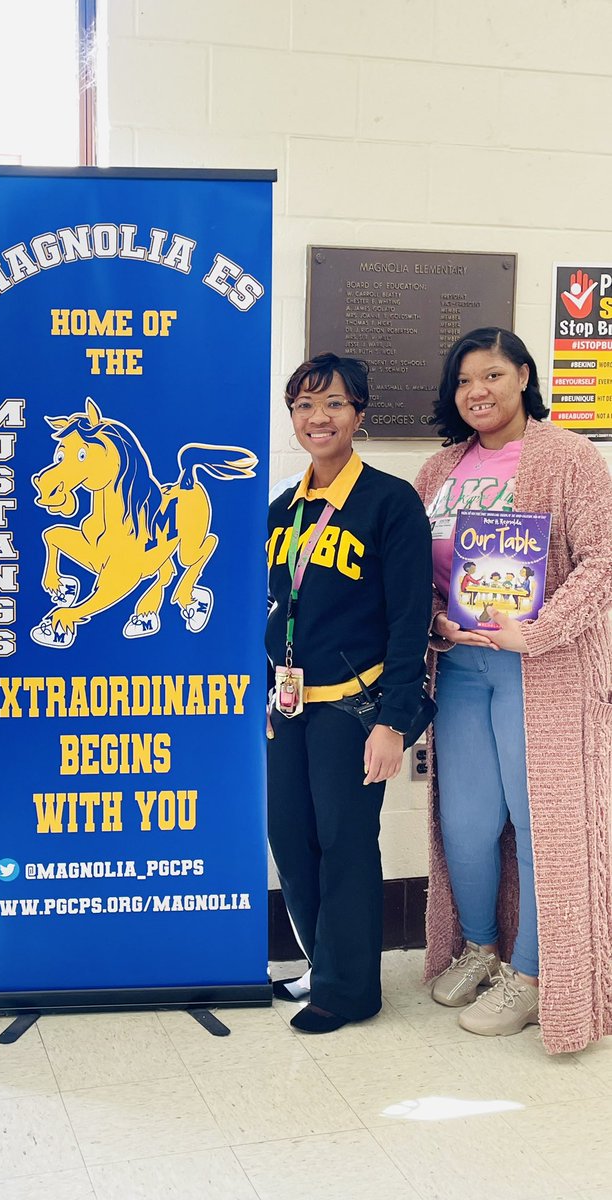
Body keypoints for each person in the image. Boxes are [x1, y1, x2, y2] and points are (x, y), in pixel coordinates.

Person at [416, 327, 612, 1052]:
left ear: (524, 377)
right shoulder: (437, 471)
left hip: (544, 669)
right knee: (466, 822)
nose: (479, 392)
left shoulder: (569, 456)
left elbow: (604, 558)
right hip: (461, 669)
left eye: (493, 375)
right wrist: (437, 620)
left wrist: (543, 628)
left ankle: (532, 979)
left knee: (541, 826)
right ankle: (479, 947)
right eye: (466, 380)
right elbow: (415, 576)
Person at [266, 353, 432, 1033]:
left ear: (359, 413)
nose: (319, 417)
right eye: (305, 405)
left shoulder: (390, 502)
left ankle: (350, 990)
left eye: (334, 403)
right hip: (289, 706)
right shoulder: (285, 507)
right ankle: (321, 961)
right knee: (291, 837)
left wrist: (394, 722)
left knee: (346, 843)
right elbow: (278, 607)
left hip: (355, 708)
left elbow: (408, 619)